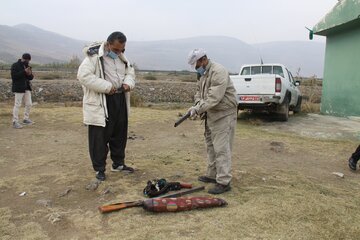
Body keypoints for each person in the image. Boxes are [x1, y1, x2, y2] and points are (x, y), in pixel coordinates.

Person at [77, 32, 136, 181]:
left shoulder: (122, 57)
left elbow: (130, 71)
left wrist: (128, 83)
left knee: (120, 134)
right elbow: (83, 76)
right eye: (116, 49)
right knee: (99, 137)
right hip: (102, 101)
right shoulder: (93, 57)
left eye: (122, 50)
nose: (119, 53)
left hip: (119, 98)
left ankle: (118, 164)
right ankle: (99, 169)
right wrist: (106, 87)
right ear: (108, 44)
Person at [187, 48, 238, 194]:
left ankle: (224, 181)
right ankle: (212, 174)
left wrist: (197, 109)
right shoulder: (202, 74)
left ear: (203, 60)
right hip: (211, 114)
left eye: (197, 66)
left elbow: (213, 97)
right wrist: (197, 105)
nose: (196, 69)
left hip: (223, 114)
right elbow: (199, 93)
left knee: (221, 148)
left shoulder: (218, 71)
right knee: (210, 145)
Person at [11, 53, 34, 129]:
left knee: (29, 104)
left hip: (26, 87)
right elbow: (14, 76)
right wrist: (24, 71)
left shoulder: (27, 66)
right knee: (17, 104)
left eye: (29, 60)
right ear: (23, 58)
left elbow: (31, 77)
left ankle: (25, 119)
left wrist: (29, 74)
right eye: (27, 60)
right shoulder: (15, 65)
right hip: (18, 88)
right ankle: (15, 122)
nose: (28, 62)